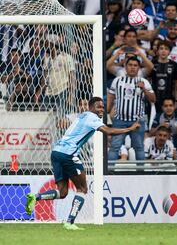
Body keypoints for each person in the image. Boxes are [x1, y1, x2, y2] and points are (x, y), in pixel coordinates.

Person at [25, 97, 140, 230]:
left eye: (103, 107)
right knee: (82, 189)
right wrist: (130, 128)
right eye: (98, 107)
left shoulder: (83, 116)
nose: (101, 109)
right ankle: (70, 222)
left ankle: (35, 197)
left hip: (56, 152)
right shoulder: (92, 117)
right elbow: (109, 131)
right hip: (68, 154)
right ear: (91, 108)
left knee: (63, 193)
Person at [107, 57, 156, 161]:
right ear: (125, 67)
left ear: (139, 68)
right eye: (130, 65)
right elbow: (111, 96)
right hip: (119, 120)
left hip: (137, 121)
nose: (133, 67)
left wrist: (144, 89)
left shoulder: (144, 81)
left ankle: (141, 173)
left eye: (135, 65)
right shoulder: (117, 81)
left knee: (139, 147)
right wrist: (107, 111)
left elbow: (153, 99)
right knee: (115, 147)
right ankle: (110, 172)